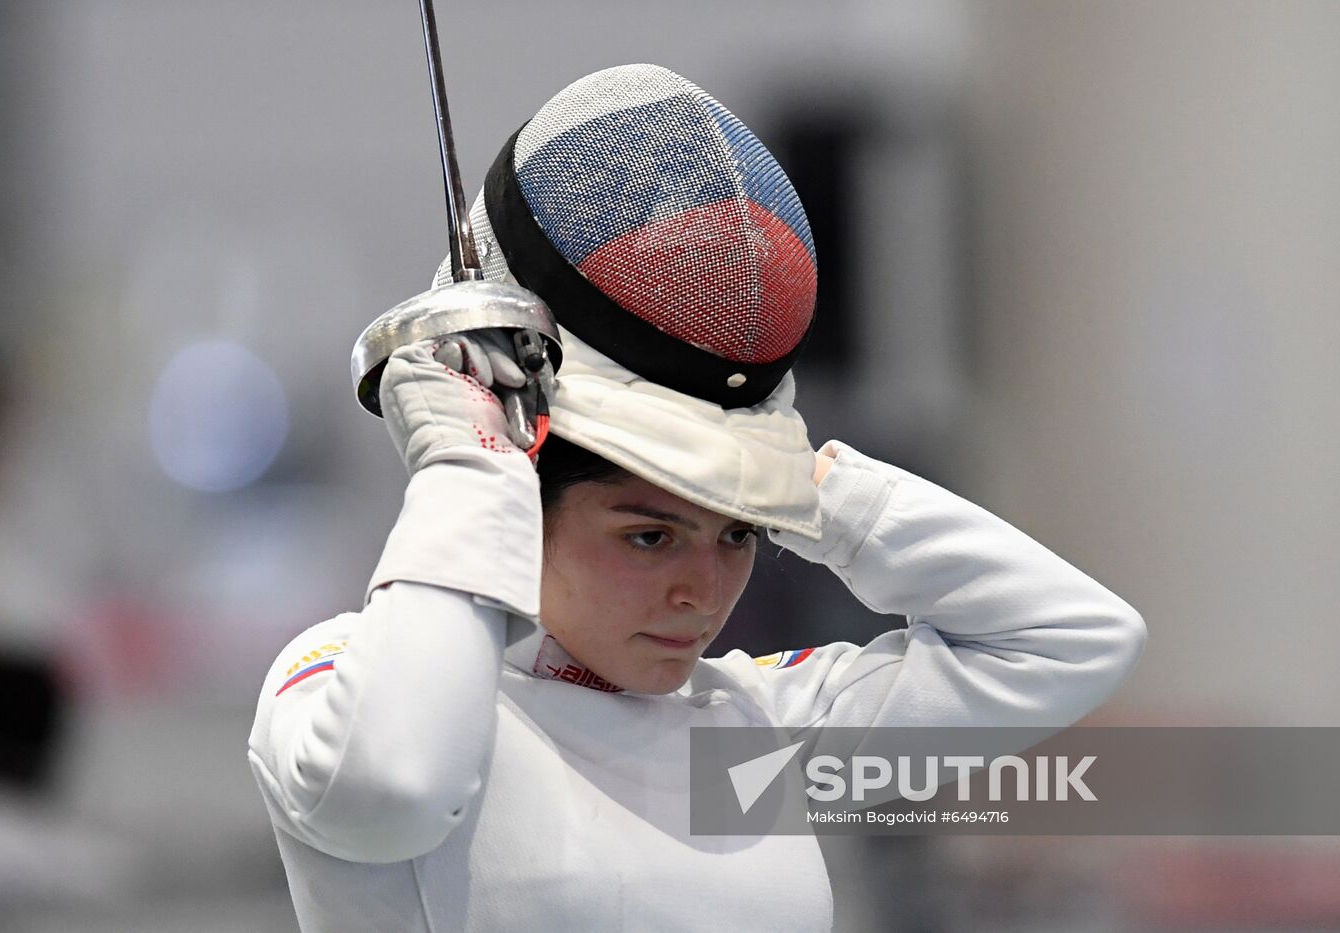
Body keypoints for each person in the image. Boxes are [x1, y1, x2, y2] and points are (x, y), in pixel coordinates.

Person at [248, 64, 1146, 931]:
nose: (704, 592)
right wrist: (472, 460)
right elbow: (396, 786)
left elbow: (1071, 639)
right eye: (649, 537)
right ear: (523, 500)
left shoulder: (742, 738)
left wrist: (794, 476)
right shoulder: (350, 676)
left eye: (738, 533)